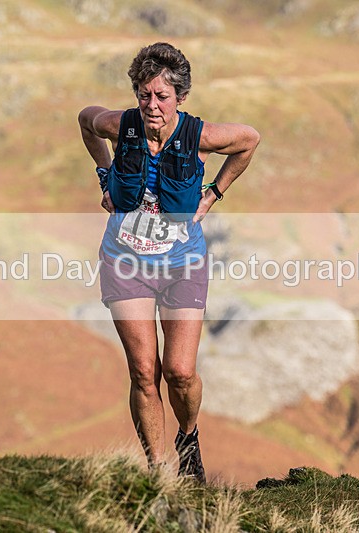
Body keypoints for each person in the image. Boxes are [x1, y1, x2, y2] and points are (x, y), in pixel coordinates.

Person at [78, 42, 260, 483]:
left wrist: (214, 194)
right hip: (125, 262)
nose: (151, 105)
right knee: (144, 371)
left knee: (180, 371)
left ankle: (189, 435)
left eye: (161, 96)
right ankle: (158, 472)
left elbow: (249, 139)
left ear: (180, 97)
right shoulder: (121, 126)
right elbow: (86, 120)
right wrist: (105, 175)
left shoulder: (199, 136)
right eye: (144, 94)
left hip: (182, 264)